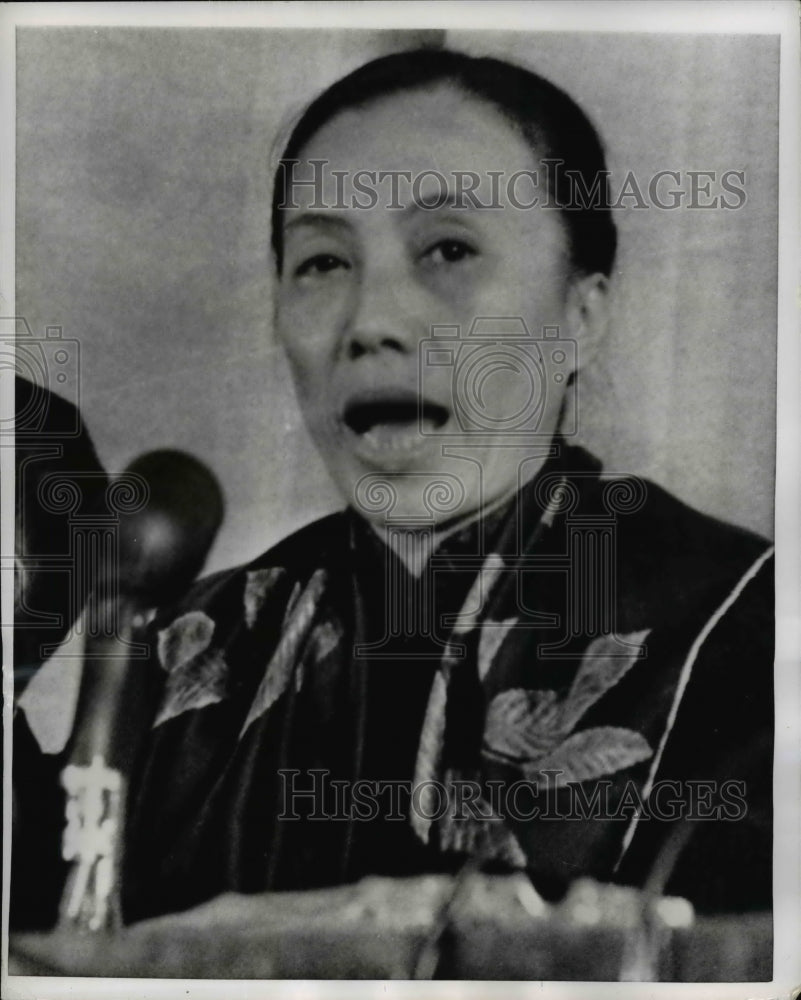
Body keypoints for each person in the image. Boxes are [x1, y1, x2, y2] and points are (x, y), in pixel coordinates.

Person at [122, 49, 774, 924]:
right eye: (321, 262)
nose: (373, 324)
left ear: (579, 319)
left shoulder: (742, 627)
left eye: (449, 249)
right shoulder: (180, 649)